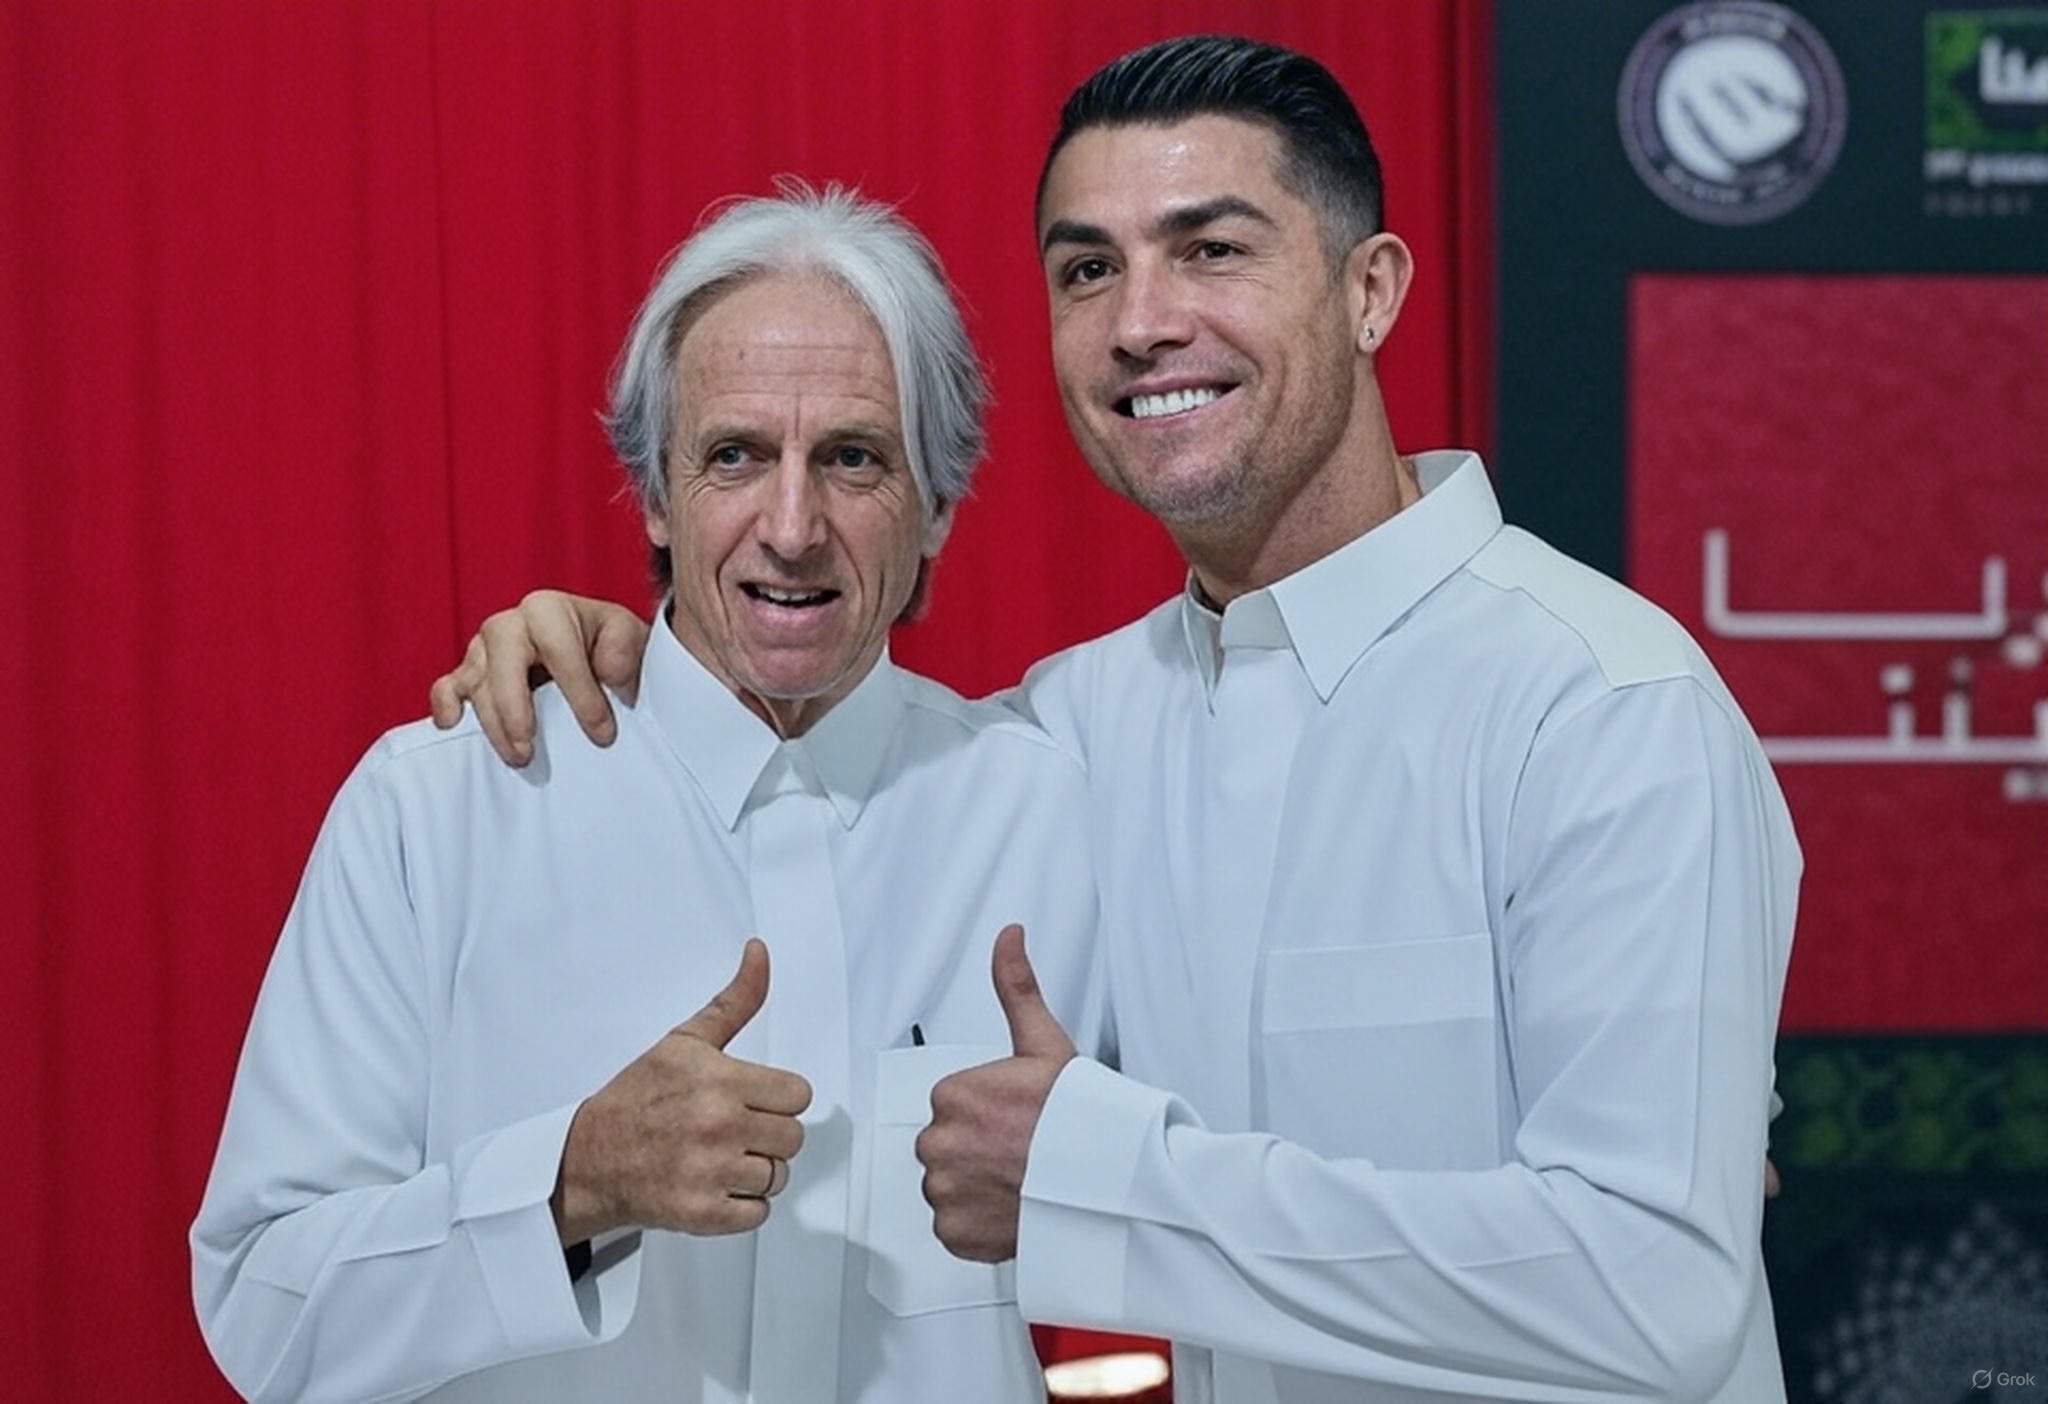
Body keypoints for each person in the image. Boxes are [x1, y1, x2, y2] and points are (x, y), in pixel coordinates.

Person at [432, 36, 1799, 1404]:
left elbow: (1655, 1289)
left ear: (1370, 291)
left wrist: (1105, 1189)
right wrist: (635, 652)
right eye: (1089, 269)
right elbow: (808, 766)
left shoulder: (1602, 706)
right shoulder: (1069, 732)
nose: (1141, 321)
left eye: (1211, 250)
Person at [190, 186, 1108, 1404]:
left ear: (938, 505)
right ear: (657, 498)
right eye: (735, 456)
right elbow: (263, 1305)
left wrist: (1103, 1181)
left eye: (853, 459)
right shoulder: (441, 810)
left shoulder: (1057, 811)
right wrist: (571, 1181)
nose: (792, 526)